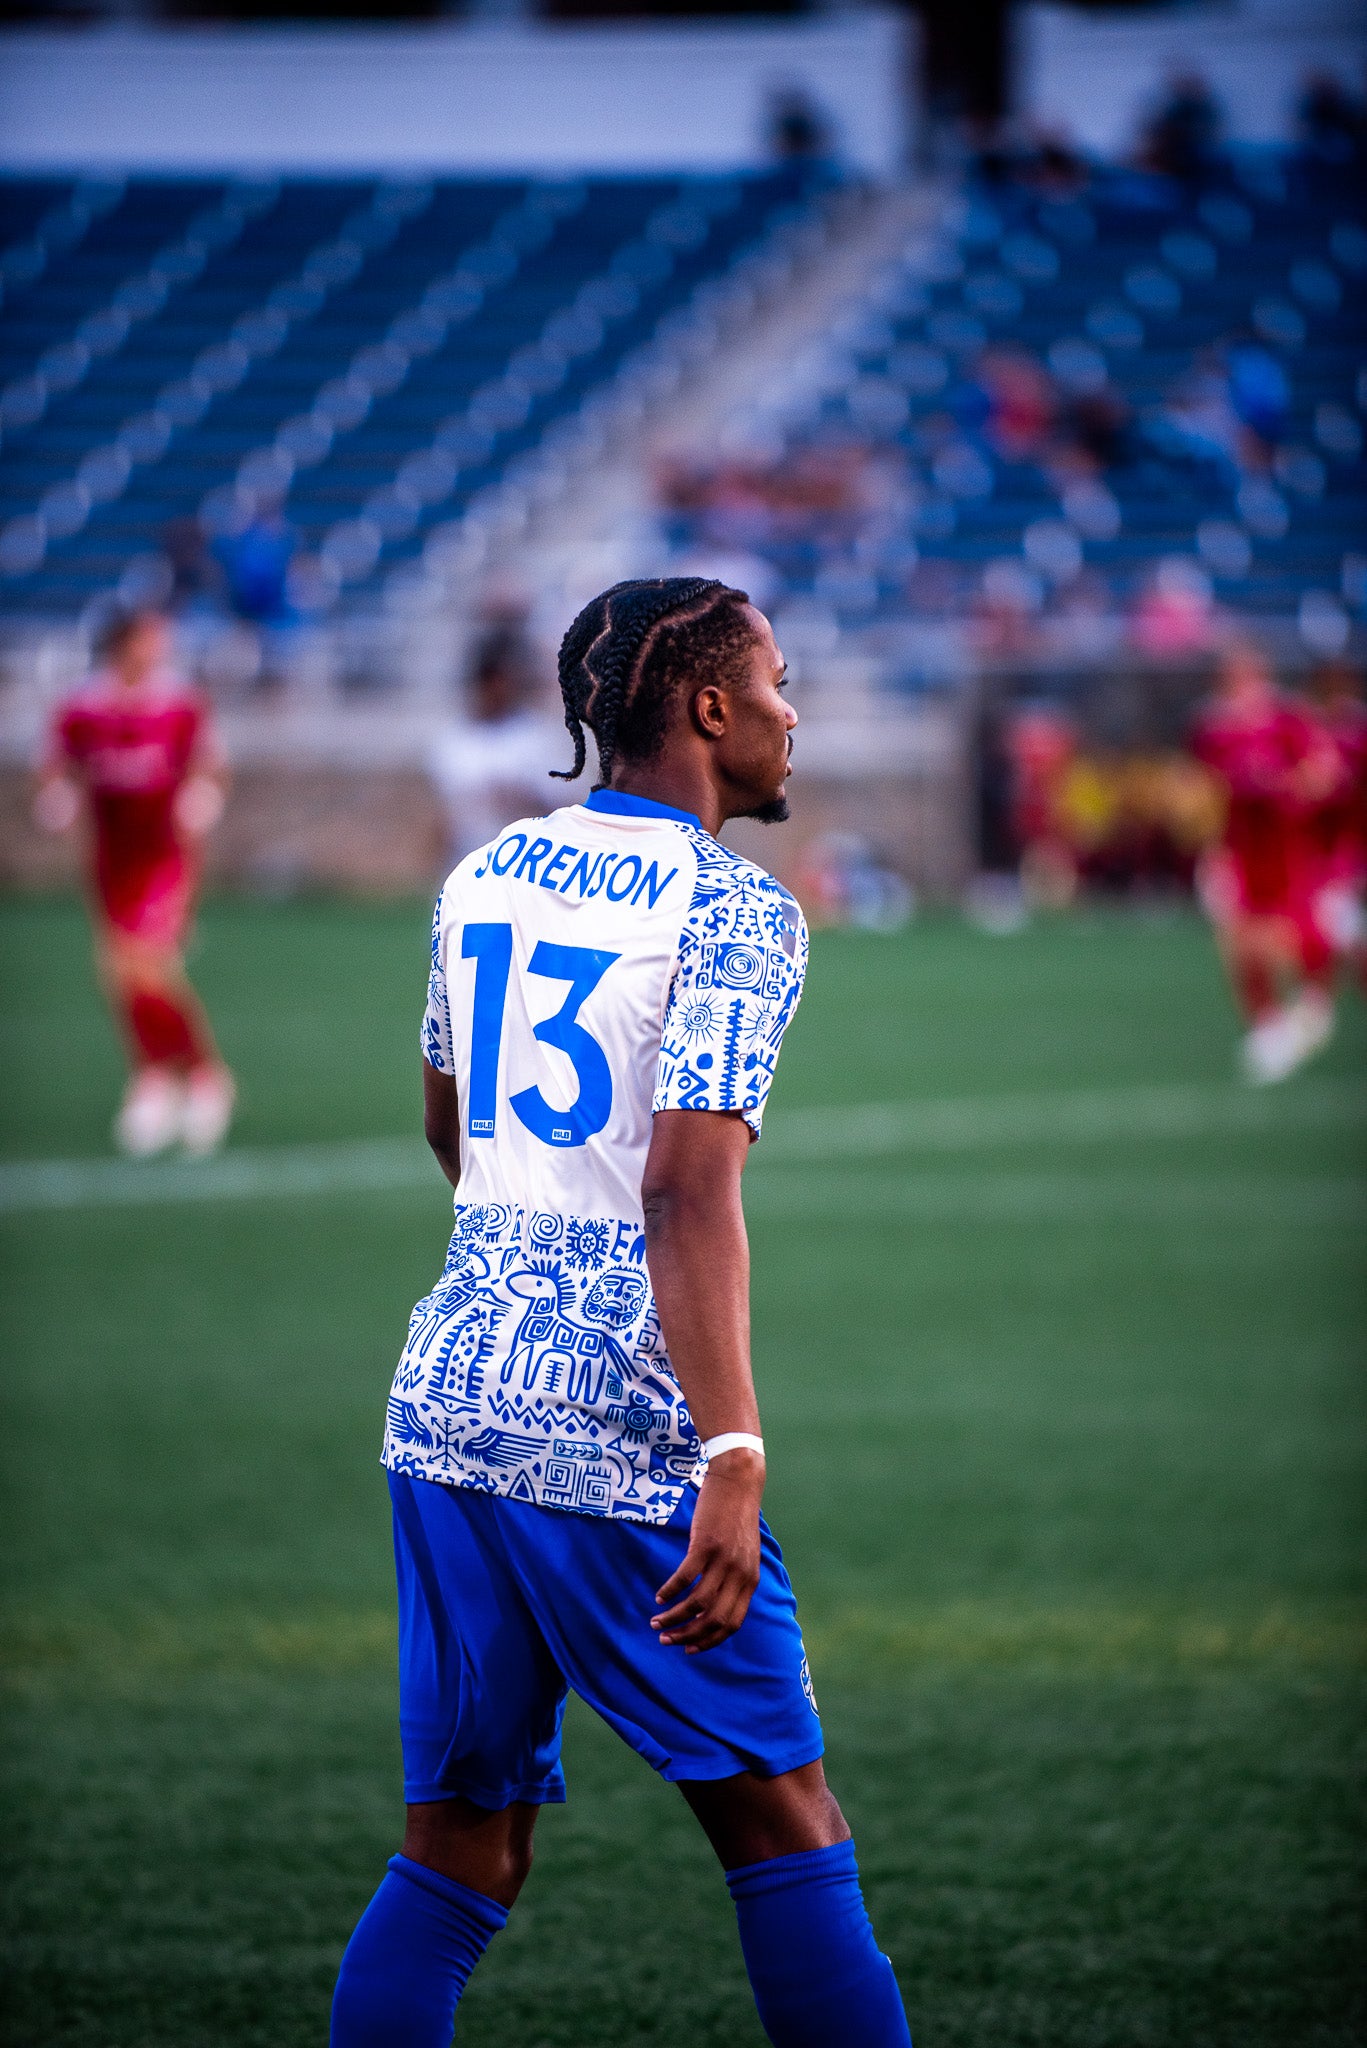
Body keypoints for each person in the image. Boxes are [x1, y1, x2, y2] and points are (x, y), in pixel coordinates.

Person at [330, 577, 912, 2048]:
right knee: (785, 1824)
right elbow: (682, 1193)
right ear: (708, 709)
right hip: (616, 1425)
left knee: (459, 1848)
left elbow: (446, 1124)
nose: (794, 715)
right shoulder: (735, 910)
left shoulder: (486, 873)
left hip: (449, 1393)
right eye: (778, 684)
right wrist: (729, 1453)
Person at [35, 604, 234, 1156]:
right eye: (149, 639)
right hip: (109, 859)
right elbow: (57, 764)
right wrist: (59, 795)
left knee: (145, 964)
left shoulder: (177, 706)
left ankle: (202, 1077)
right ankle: (157, 1077)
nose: (160, 649)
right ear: (122, 645)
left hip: (164, 856)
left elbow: (210, 765)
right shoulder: (83, 709)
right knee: (118, 973)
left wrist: (204, 796)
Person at [1190, 639, 1338, 1084]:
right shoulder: (1212, 727)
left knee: (1291, 933)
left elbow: (1322, 775)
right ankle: (1267, 1024)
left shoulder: (1288, 720)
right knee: (1237, 940)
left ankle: (1314, 1005)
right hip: (1238, 848)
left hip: (1286, 846)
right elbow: (1202, 790)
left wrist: (1280, 789)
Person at [1306, 658, 1367, 991]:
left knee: (1337, 915)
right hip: (1318, 843)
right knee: (1332, 917)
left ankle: (1319, 993)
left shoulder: (1359, 730)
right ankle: (1319, 990)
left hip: (1350, 840)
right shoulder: (1311, 727)